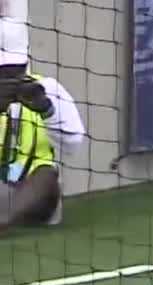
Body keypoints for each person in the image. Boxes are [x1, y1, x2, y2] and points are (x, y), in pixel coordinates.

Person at [0, 4, 85, 234]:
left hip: (32, 194)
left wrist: (48, 110)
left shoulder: (45, 88)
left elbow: (74, 144)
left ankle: (6, 220)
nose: (10, 78)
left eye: (15, 70)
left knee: (46, 175)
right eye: (3, 73)